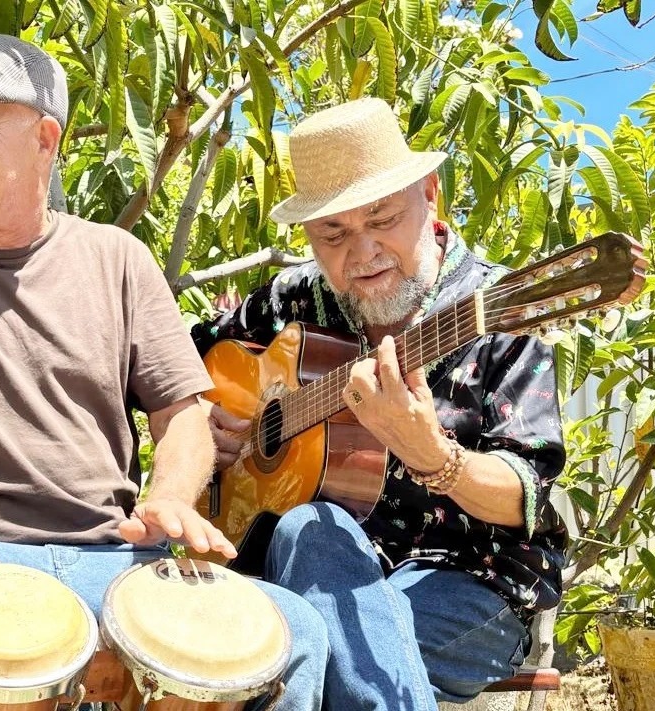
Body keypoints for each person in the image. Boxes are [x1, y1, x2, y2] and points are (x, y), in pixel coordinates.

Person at [0, 34, 328, 711]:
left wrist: (172, 496)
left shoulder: (120, 259)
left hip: (114, 553)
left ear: (44, 138)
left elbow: (182, 413)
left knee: (298, 635)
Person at [192, 97, 569, 711]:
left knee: (292, 649)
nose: (361, 252)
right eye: (333, 234)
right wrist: (203, 422)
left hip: (469, 581)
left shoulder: (500, 314)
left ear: (430, 196)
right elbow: (180, 363)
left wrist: (433, 455)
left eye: (382, 218)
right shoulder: (292, 302)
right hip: (311, 563)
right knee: (315, 526)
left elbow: (526, 495)